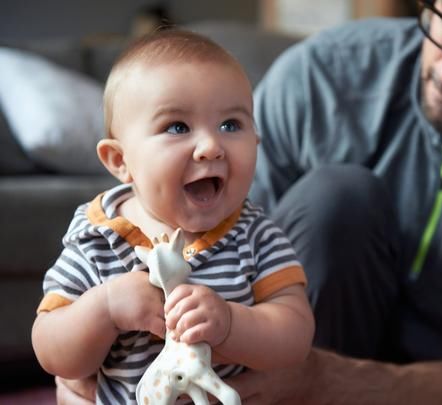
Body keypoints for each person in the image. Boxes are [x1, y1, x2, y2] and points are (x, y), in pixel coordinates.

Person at [58, 0, 442, 404]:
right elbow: (217, 250)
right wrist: (81, 351)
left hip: (423, 382)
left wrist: (328, 381)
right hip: (272, 366)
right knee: (340, 197)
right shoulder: (325, 74)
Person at [32, 29, 314, 404]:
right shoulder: (97, 240)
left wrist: (230, 324)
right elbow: (52, 351)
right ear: (120, 161)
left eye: (231, 125)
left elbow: (295, 336)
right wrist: (106, 309)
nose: (211, 146)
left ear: (257, 142)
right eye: (177, 127)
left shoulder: (257, 236)